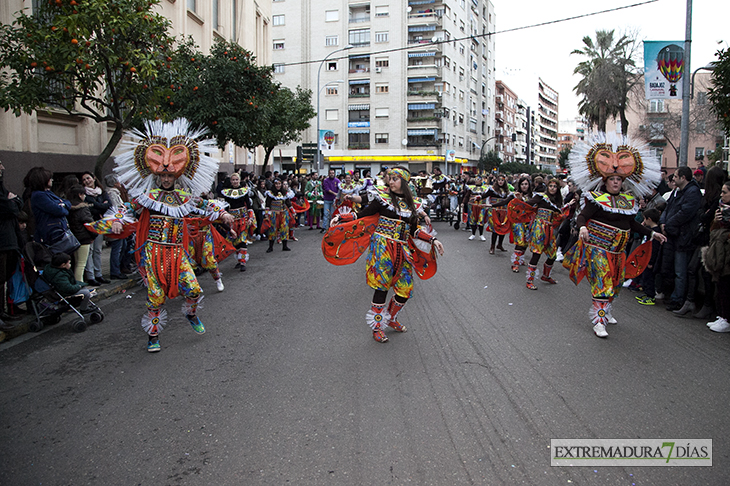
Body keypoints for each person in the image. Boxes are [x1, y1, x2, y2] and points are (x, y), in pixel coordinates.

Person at [98, 118, 234, 352]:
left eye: (170, 176)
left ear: (177, 177)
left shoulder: (184, 197)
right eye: (162, 176)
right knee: (155, 297)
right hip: (153, 252)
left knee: (194, 290)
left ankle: (191, 314)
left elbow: (206, 205)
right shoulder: (147, 197)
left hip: (177, 252)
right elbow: (127, 209)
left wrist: (223, 214)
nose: (166, 179)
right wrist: (117, 221)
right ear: (157, 176)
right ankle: (153, 337)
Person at [563, 133, 667, 338]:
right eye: (613, 179)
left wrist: (652, 234)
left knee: (616, 284)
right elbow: (582, 216)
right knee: (602, 283)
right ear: (606, 181)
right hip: (599, 249)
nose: (616, 182)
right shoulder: (595, 199)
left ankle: (606, 311)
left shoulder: (629, 201)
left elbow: (631, 224)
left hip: (618, 252)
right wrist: (582, 227)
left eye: (619, 179)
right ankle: (599, 320)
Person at [324, 167, 444, 343]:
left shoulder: (413, 205)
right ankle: (378, 327)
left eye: (395, 179)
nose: (391, 182)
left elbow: (413, 231)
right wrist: (342, 218)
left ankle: (391, 318)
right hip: (382, 248)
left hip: (402, 251)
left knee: (405, 290)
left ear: (403, 181)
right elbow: (362, 214)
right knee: (381, 288)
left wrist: (432, 240)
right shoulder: (382, 198)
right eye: (390, 179)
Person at [674, 166, 726, 318]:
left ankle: (707, 305)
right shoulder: (709, 197)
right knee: (693, 269)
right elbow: (702, 214)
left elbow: (703, 216)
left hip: (710, 239)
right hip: (704, 238)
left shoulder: (715, 200)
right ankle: (692, 302)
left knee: (705, 273)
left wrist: (705, 215)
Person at [658, 166, 702, 311]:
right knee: (670, 267)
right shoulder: (677, 191)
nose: (673, 179)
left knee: (680, 270)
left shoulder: (692, 192)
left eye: (676, 176)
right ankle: (671, 294)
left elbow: (685, 213)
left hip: (684, 237)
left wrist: (669, 223)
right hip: (673, 234)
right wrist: (663, 222)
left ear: (683, 178)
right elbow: (668, 208)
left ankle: (678, 299)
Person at [523, 178, 572, 290]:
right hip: (539, 228)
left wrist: (568, 205)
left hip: (550, 229)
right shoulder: (541, 197)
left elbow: (559, 214)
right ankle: (529, 280)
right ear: (547, 187)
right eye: (550, 186)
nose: (553, 188)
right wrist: (520, 200)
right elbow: (528, 204)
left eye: (555, 187)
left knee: (552, 255)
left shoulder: (558, 201)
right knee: (537, 253)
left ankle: (546, 276)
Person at [0, 160, 23, 328]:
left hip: (9, 239)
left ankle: (2, 312)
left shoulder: (2, 188)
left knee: (4, 278)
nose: (2, 167)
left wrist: (13, 202)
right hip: (2, 241)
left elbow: (17, 205)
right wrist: (12, 203)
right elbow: (9, 208)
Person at [704, 181, 730, 332]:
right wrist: (716, 220)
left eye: (725, 192)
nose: (722, 195)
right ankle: (722, 315)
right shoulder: (721, 208)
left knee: (727, 285)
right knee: (720, 283)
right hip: (719, 251)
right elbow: (713, 229)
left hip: (727, 252)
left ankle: (727, 318)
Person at [220, 172, 256, 272]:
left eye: (236, 180)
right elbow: (224, 206)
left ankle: (243, 261)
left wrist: (250, 218)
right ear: (230, 181)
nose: (235, 182)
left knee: (242, 240)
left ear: (239, 180)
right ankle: (239, 260)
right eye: (233, 180)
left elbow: (249, 205)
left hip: (243, 219)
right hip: (232, 219)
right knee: (235, 240)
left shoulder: (244, 191)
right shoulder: (226, 192)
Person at [81, 171, 111, 285]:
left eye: (88, 178)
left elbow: (108, 205)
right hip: (90, 224)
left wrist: (97, 205)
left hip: (100, 224)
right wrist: (100, 205)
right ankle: (90, 276)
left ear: (94, 178)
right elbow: (91, 209)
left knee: (98, 251)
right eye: (84, 180)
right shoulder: (85, 195)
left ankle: (99, 274)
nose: (86, 181)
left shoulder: (101, 192)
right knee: (90, 250)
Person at [65, 185, 97, 284]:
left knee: (76, 262)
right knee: (81, 263)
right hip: (84, 238)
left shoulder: (68, 208)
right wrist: (93, 236)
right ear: (80, 195)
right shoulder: (83, 208)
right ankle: (79, 283)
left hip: (73, 237)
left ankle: (76, 282)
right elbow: (89, 224)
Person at [635, 209, 663, 306]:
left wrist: (651, 261)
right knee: (645, 276)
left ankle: (650, 295)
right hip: (646, 256)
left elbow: (655, 248)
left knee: (649, 277)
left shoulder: (656, 232)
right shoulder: (650, 231)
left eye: (645, 219)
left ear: (649, 219)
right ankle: (646, 293)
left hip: (650, 259)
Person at [507, 176, 534, 272]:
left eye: (526, 184)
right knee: (519, 242)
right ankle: (515, 263)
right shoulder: (515, 194)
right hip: (518, 222)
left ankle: (520, 259)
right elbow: (507, 202)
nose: (524, 186)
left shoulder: (533, 196)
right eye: (522, 184)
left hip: (529, 222)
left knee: (526, 243)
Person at [484, 174, 512, 254]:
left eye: (502, 180)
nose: (500, 181)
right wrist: (478, 197)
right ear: (497, 181)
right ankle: (492, 247)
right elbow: (484, 196)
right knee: (495, 229)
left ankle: (500, 244)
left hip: (503, 211)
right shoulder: (492, 189)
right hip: (494, 211)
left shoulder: (507, 191)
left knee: (503, 228)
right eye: (499, 180)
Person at [263, 178, 293, 253]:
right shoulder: (270, 193)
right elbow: (267, 204)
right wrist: (266, 214)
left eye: (279, 184)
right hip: (274, 214)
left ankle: (285, 246)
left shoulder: (284, 193)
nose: (278, 185)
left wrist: (292, 210)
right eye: (276, 184)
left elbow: (288, 202)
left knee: (284, 229)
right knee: (272, 230)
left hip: (283, 213)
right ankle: (270, 247)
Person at [465, 176, 489, 241]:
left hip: (481, 206)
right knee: (472, 220)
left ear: (481, 180)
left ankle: (481, 235)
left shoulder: (485, 188)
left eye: (478, 179)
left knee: (481, 220)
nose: (477, 181)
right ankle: (473, 234)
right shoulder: (471, 188)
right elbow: (467, 195)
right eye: (476, 180)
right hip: (472, 206)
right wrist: (463, 202)